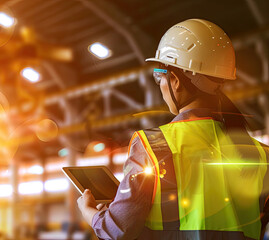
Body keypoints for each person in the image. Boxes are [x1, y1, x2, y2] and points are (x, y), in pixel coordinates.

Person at [77, 19, 269, 240]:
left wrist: (90, 213)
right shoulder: (261, 155)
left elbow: (118, 229)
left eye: (159, 76)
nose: (160, 85)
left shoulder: (153, 146)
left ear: (175, 80)